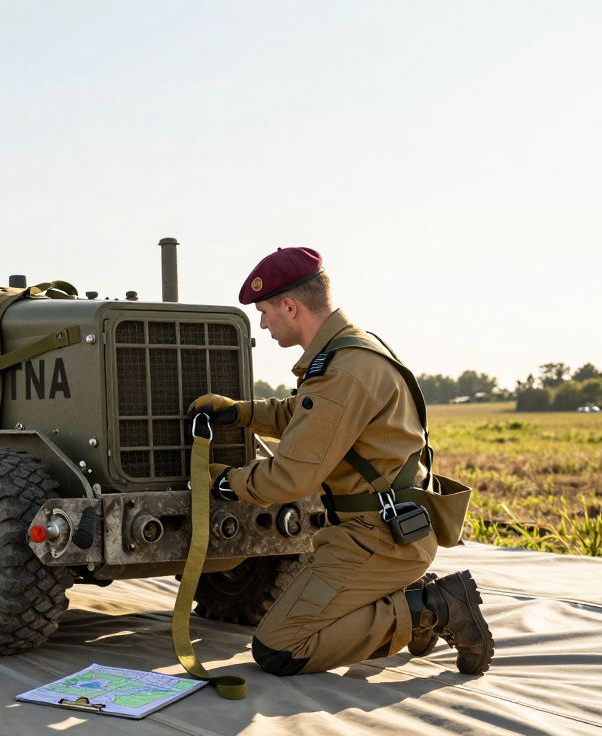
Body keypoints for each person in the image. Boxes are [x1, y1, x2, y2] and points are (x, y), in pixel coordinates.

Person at [189, 247, 494, 677]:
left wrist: (223, 482)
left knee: (280, 647)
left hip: (379, 538)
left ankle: (431, 607)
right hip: (384, 529)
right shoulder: (352, 351)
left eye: (265, 311)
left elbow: (289, 477)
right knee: (301, 622)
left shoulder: (341, 372)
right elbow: (304, 417)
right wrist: (240, 412)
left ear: (290, 306)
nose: (262, 323)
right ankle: (407, 596)